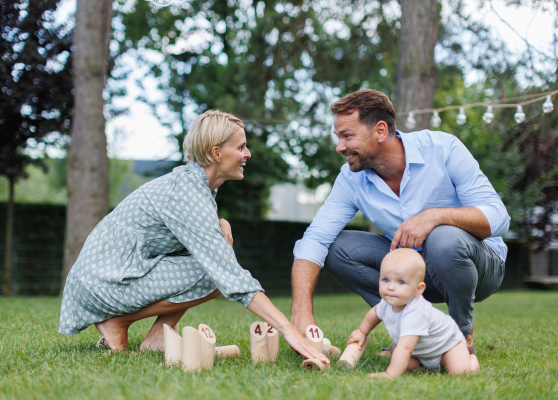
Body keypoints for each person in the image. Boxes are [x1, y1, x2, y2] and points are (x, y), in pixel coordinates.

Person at [59, 110, 329, 364]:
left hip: (111, 275)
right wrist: (287, 329)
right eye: (240, 147)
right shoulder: (187, 193)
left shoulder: (198, 187)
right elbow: (229, 275)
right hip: (102, 281)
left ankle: (157, 339)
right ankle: (117, 322)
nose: (247, 154)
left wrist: (222, 227)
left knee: (219, 245)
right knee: (215, 271)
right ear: (216, 153)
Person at [291, 89, 510, 352]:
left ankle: (459, 338)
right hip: (412, 271)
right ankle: (414, 329)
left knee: (442, 238)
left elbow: (499, 218)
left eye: (347, 136)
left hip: (478, 266)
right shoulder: (351, 178)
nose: (340, 147)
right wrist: (301, 315)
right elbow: (314, 239)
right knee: (335, 249)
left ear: (380, 131)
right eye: (338, 137)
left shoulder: (443, 149)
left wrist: (435, 216)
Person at [347, 248, 480, 378]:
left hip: (447, 346)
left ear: (418, 289)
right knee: (406, 363)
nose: (391, 287)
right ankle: (425, 366)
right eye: (386, 280)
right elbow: (375, 312)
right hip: (421, 351)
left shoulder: (416, 313)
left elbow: (405, 348)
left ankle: (471, 359)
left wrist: (391, 374)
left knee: (459, 371)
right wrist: (362, 332)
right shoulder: (387, 304)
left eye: (401, 282)